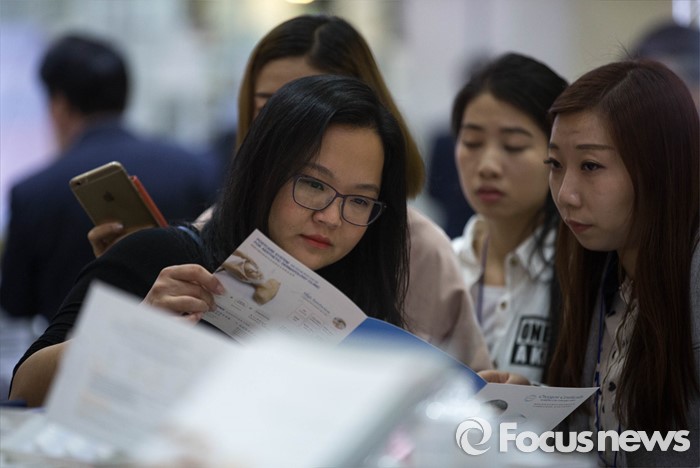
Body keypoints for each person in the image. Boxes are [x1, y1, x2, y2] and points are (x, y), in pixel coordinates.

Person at [90, 14, 491, 370]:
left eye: (318, 101)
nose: (292, 121)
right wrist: (134, 297)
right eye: (271, 104)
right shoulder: (207, 236)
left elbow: (467, 387)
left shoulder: (413, 247)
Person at [10, 75, 410, 407]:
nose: (331, 217)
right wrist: (135, 328)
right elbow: (23, 390)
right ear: (264, 172)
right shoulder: (167, 259)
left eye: (359, 201)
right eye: (313, 184)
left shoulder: (359, 314)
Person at [487, 59, 699, 466]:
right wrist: (535, 408)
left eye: (591, 166)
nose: (565, 194)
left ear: (660, 168)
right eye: (555, 165)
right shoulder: (599, 266)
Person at [0, 33, 219, 322]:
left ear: (59, 104)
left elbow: (16, 304)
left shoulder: (32, 192)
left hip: (71, 342)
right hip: (191, 335)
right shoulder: (196, 167)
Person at [450, 53, 567, 383]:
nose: (488, 166)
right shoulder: (441, 265)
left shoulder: (585, 273)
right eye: (472, 142)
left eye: (513, 146)